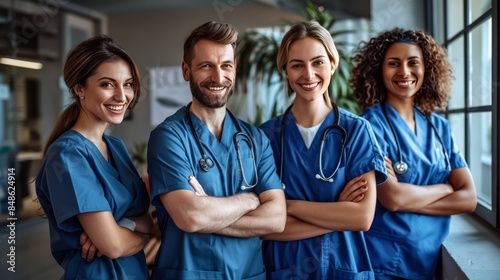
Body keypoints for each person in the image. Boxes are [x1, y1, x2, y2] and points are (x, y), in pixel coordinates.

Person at [147, 21, 286, 280]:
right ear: (186, 70)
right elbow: (191, 217)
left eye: (226, 66)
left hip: (248, 274)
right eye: (206, 66)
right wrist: (250, 200)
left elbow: (276, 219)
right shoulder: (169, 137)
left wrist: (209, 214)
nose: (218, 77)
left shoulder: (255, 139)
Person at [258, 21, 387, 279]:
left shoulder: (357, 131)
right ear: (285, 70)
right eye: (297, 65)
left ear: (332, 64)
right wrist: (337, 212)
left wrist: (289, 207)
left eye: (317, 62)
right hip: (287, 270)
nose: (308, 75)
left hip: (344, 268)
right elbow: (263, 227)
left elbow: (361, 218)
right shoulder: (265, 138)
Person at [350, 28, 477, 279]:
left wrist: (410, 198)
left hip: (427, 260)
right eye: (393, 64)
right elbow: (393, 199)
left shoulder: (439, 127)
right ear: (378, 71)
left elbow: (469, 198)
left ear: (426, 69)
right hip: (384, 261)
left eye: (413, 63)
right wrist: (446, 188)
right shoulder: (370, 127)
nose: (404, 72)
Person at [35, 35, 152, 280]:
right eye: (108, 84)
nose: (122, 96)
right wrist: (143, 233)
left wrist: (125, 226)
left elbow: (146, 220)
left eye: (128, 84)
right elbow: (114, 246)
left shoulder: (115, 147)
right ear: (79, 88)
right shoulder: (68, 154)